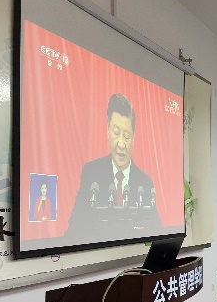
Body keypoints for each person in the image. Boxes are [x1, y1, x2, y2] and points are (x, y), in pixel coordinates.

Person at [67, 93, 159, 238]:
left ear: (134, 137)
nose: (121, 144)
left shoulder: (145, 183)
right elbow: (74, 229)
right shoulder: (91, 173)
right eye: (116, 133)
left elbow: (156, 232)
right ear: (108, 130)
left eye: (126, 136)